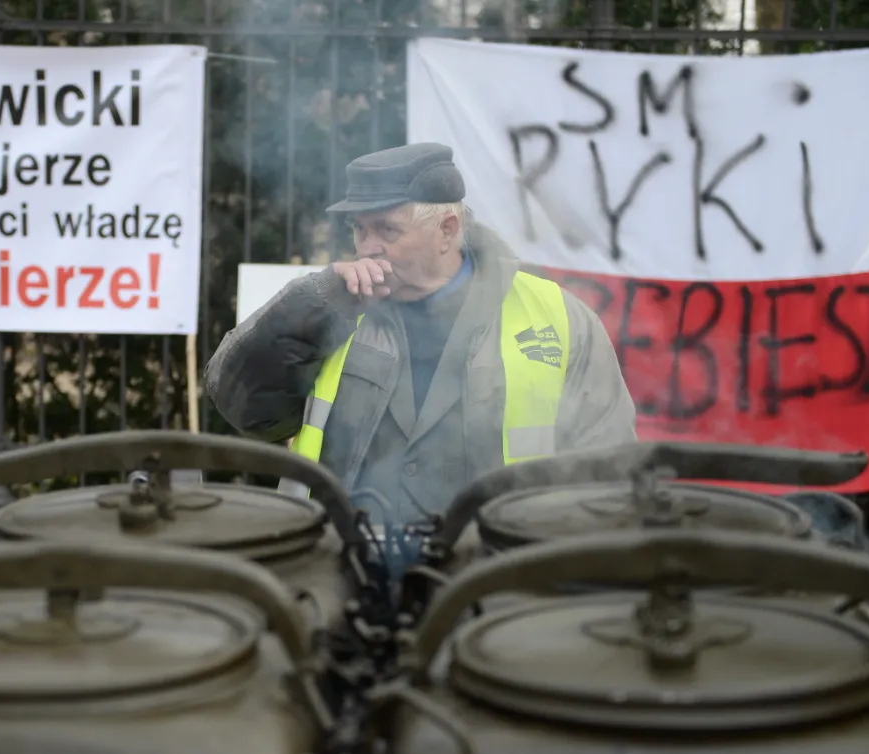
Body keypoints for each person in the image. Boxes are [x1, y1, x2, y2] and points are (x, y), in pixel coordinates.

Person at [204, 142, 637, 526]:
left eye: (387, 229)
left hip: (497, 576)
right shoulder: (332, 306)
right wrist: (310, 304)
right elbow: (242, 407)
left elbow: (609, 467)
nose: (368, 245)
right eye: (359, 228)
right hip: (342, 570)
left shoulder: (558, 317)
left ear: (446, 230)